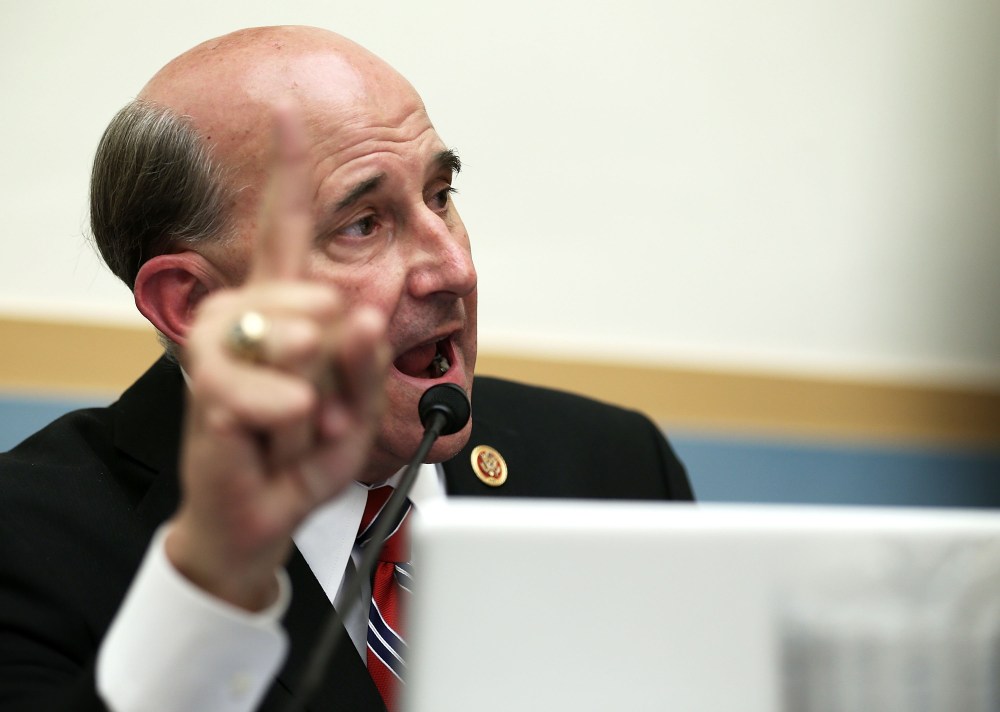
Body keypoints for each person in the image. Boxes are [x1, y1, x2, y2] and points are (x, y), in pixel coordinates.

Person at [0, 25, 692, 712]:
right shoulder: (27, 546)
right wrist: (210, 585)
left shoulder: (614, 472)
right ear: (197, 303)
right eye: (362, 223)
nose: (455, 269)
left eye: (440, 196)